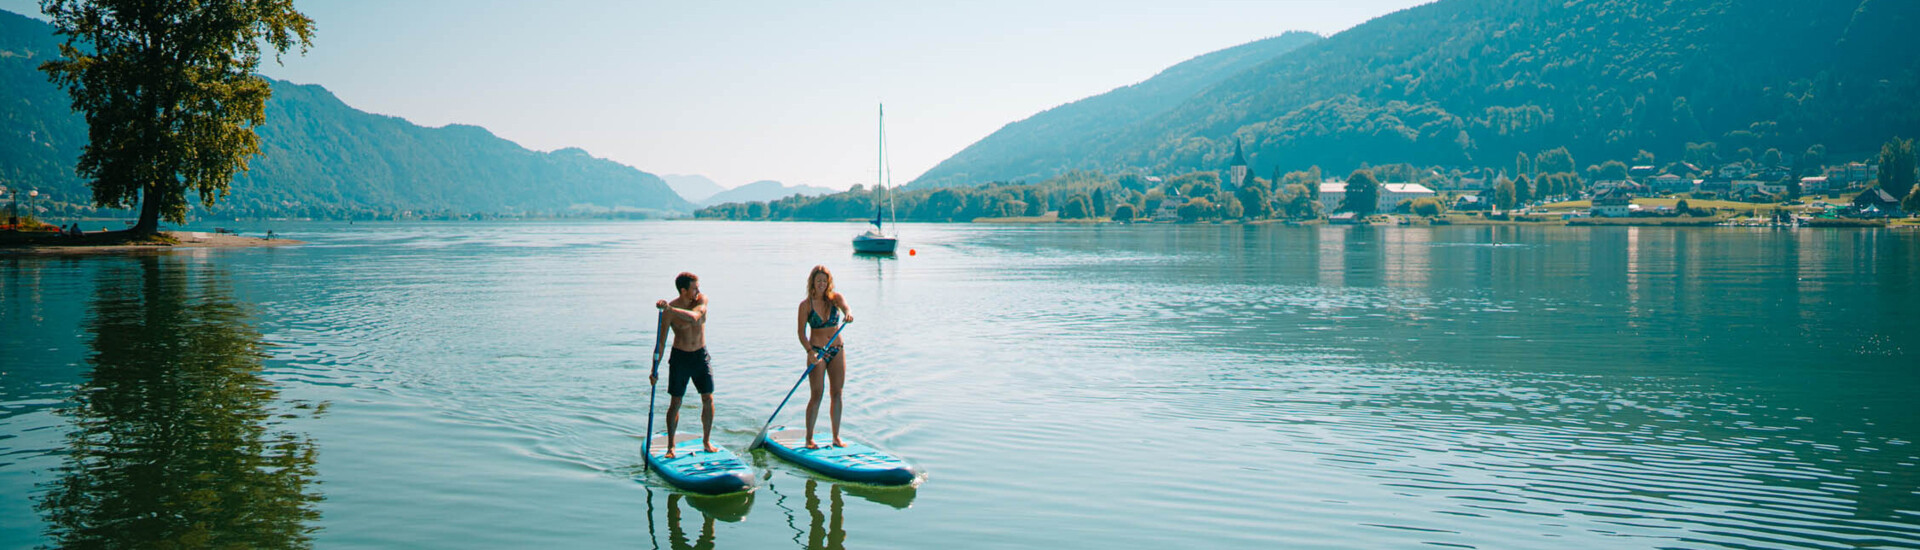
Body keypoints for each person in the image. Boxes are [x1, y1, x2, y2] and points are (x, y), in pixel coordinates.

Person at [652, 272, 715, 457]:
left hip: (700, 356)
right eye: (694, 288)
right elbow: (661, 343)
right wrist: (654, 369)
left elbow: (695, 317)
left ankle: (707, 441)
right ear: (683, 290)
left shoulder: (701, 300)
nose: (698, 291)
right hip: (680, 358)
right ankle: (671, 446)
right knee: (676, 402)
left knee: (708, 398)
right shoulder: (669, 312)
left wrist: (670, 309)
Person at [795, 265, 854, 449]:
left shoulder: (836, 299)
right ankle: (809, 438)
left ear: (829, 283)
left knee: (837, 393)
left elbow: (846, 308)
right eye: (818, 280)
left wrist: (848, 314)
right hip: (817, 352)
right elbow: (801, 333)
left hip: (837, 349)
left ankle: (836, 437)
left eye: (824, 281)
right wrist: (809, 352)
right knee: (817, 394)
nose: (821, 283)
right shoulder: (805, 305)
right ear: (812, 282)